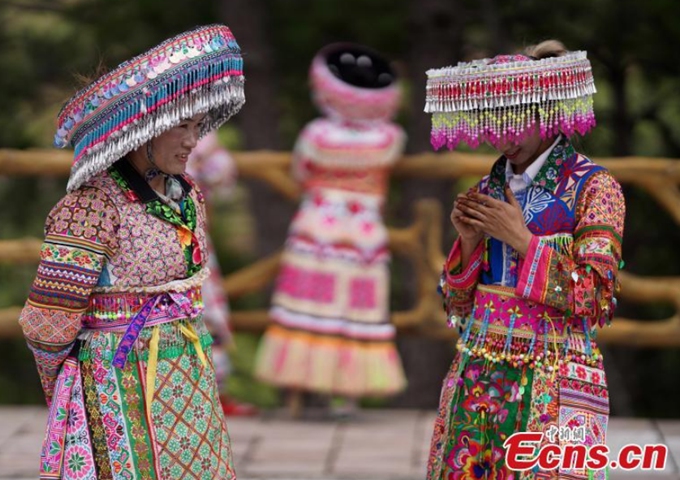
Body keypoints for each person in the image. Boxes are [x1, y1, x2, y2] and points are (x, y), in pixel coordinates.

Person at [18, 24, 244, 479]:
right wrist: (64, 385)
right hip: (112, 378)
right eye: (182, 125)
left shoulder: (188, 195)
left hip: (187, 376)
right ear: (145, 128)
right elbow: (48, 321)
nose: (192, 141)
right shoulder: (89, 207)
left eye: (198, 127)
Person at [424, 40, 625, 480]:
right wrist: (469, 244)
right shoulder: (488, 187)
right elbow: (458, 307)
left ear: (546, 110)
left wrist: (520, 239)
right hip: (478, 370)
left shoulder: (596, 189)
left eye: (512, 120)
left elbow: (594, 297)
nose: (501, 137)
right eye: (491, 122)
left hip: (556, 370)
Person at [254, 43, 407, 418]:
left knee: (304, 306)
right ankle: (349, 395)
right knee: (356, 310)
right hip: (364, 232)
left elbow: (300, 172)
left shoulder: (316, 134)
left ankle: (297, 394)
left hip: (316, 229)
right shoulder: (389, 139)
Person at [186, 133, 258, 416]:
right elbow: (222, 172)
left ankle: (207, 390)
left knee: (199, 309)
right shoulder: (196, 134)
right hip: (190, 237)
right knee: (203, 309)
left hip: (184, 238)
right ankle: (211, 391)